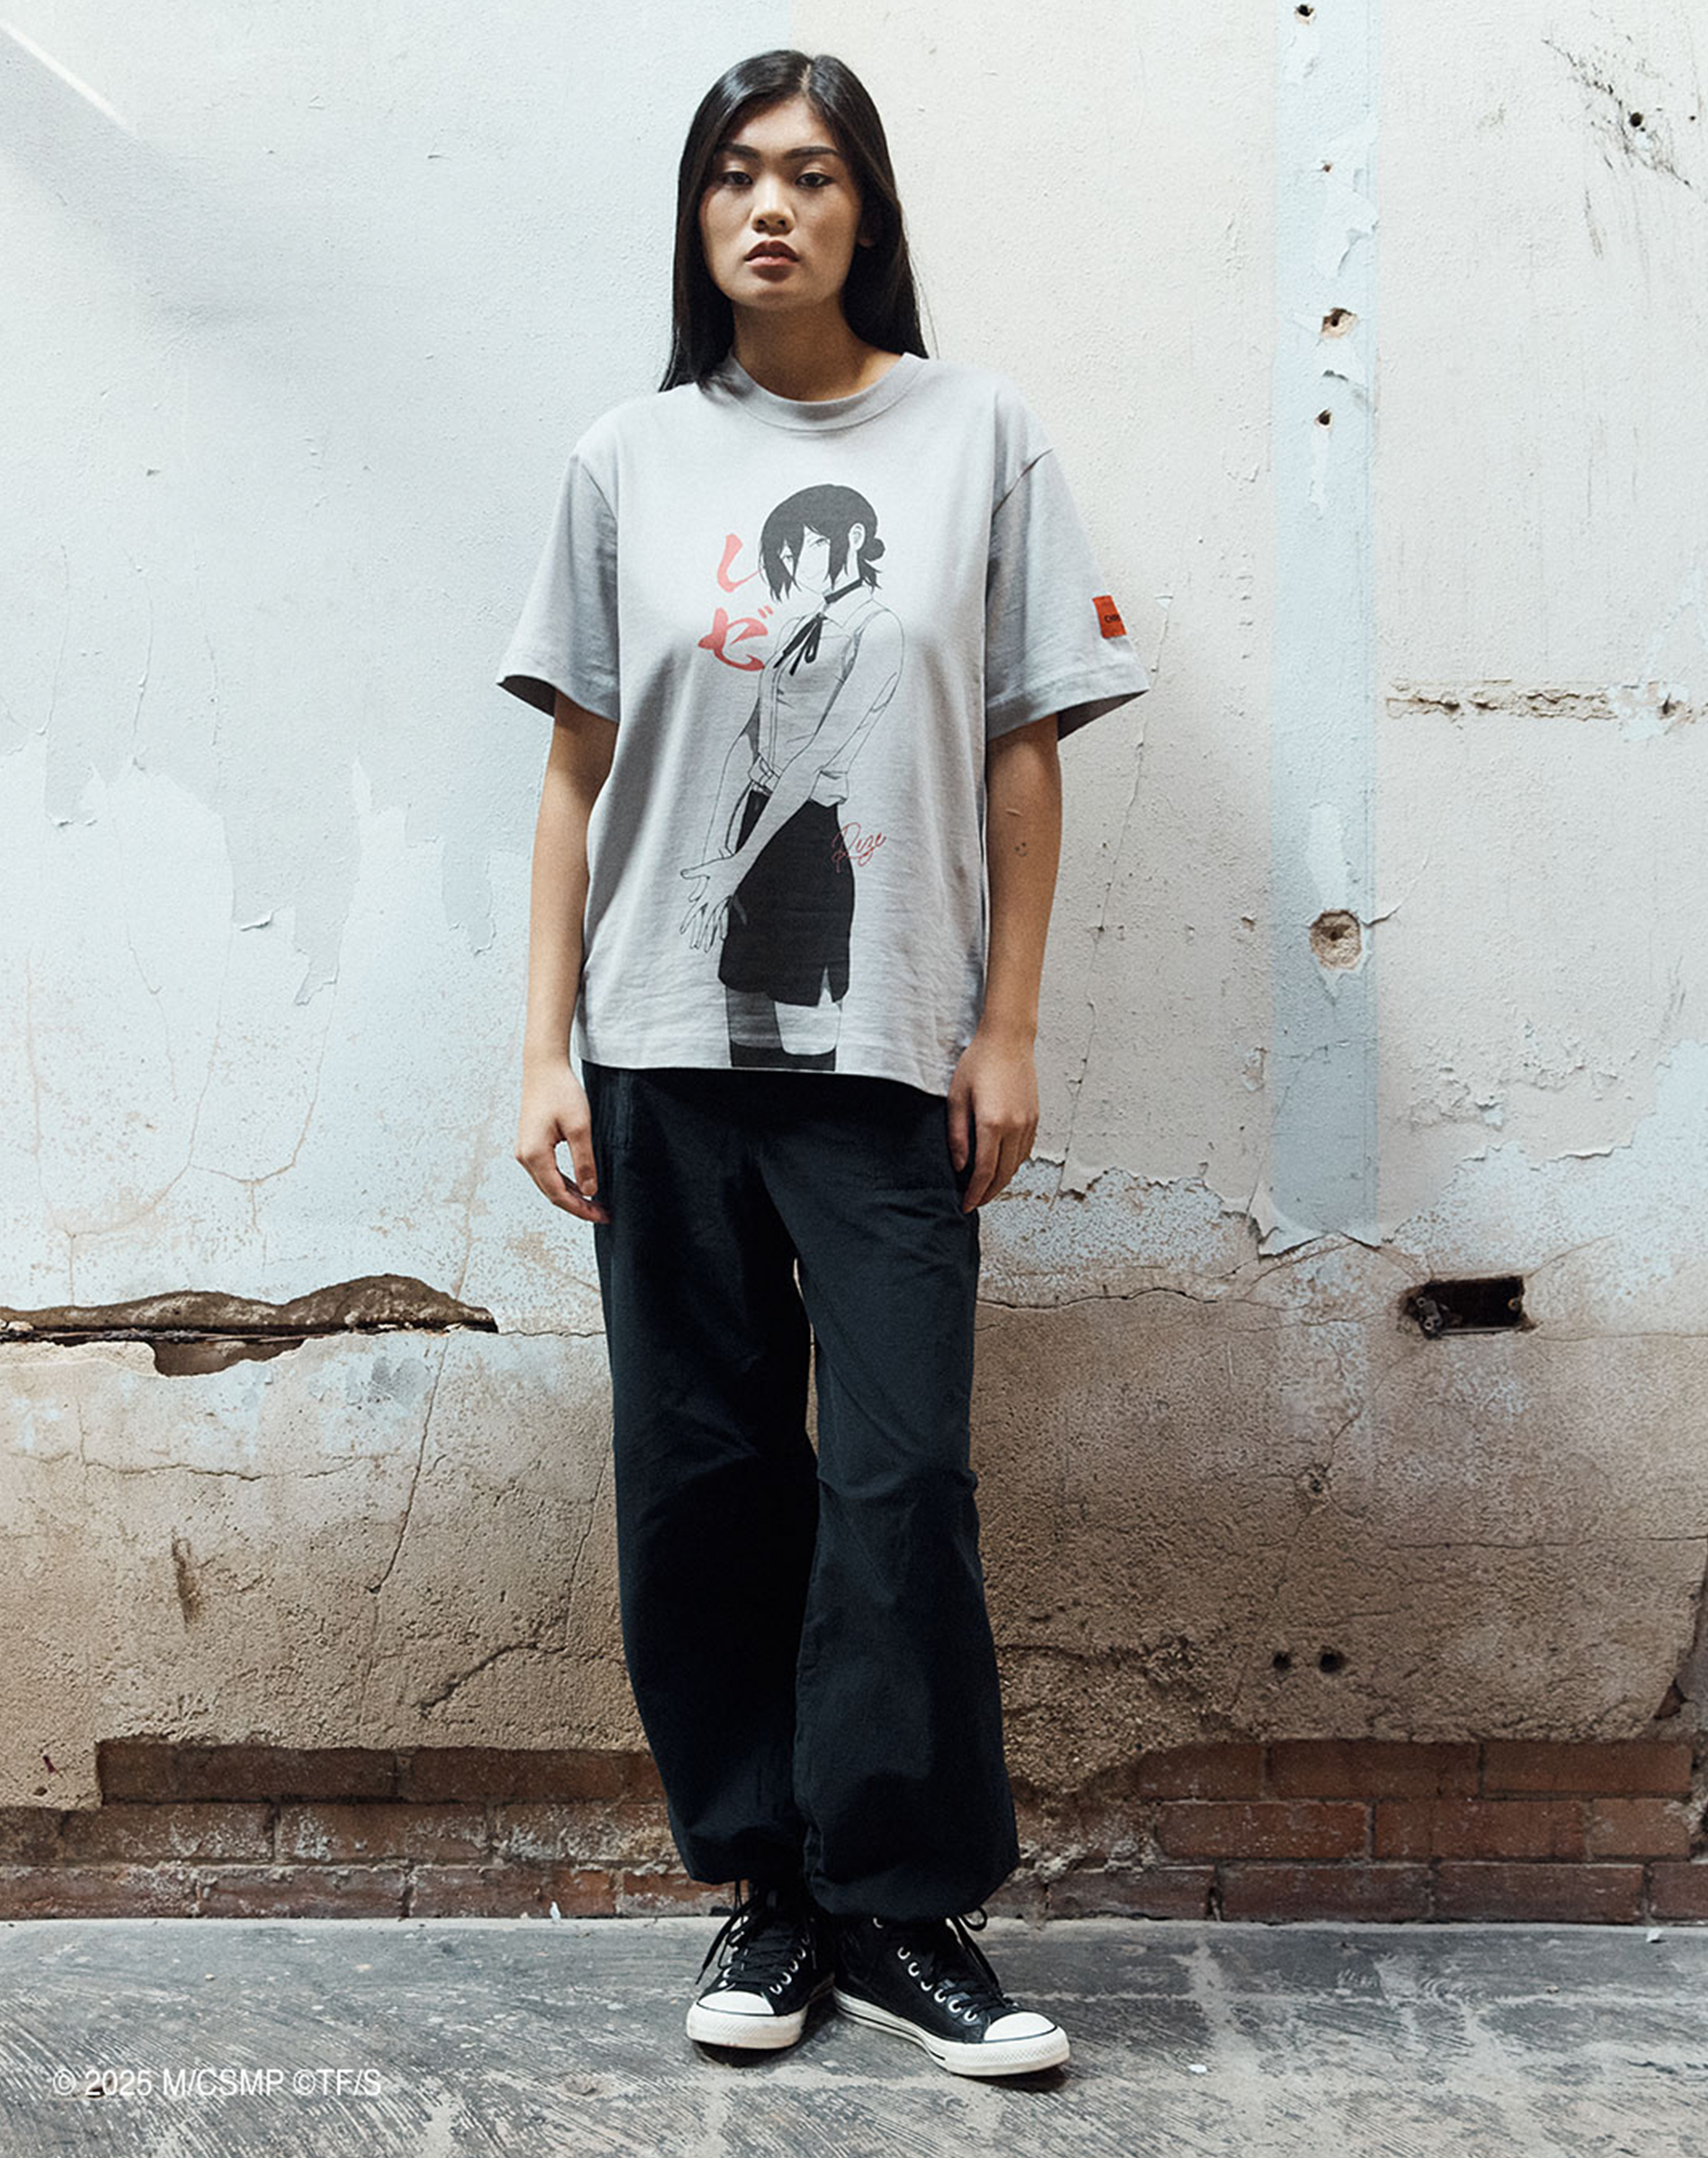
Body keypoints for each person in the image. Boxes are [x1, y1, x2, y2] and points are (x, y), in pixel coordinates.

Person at [494, 49, 1150, 2082]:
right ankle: (766, 1892)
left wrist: (1007, 1027)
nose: (768, 208)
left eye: (810, 173)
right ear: (696, 216)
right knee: (700, 1477)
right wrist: (541, 1049)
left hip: (885, 1057)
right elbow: (576, 773)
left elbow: (1023, 747)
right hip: (659, 1049)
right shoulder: (626, 456)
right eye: (732, 176)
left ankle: (899, 1903)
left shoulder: (979, 436)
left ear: (867, 210)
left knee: (897, 1475)